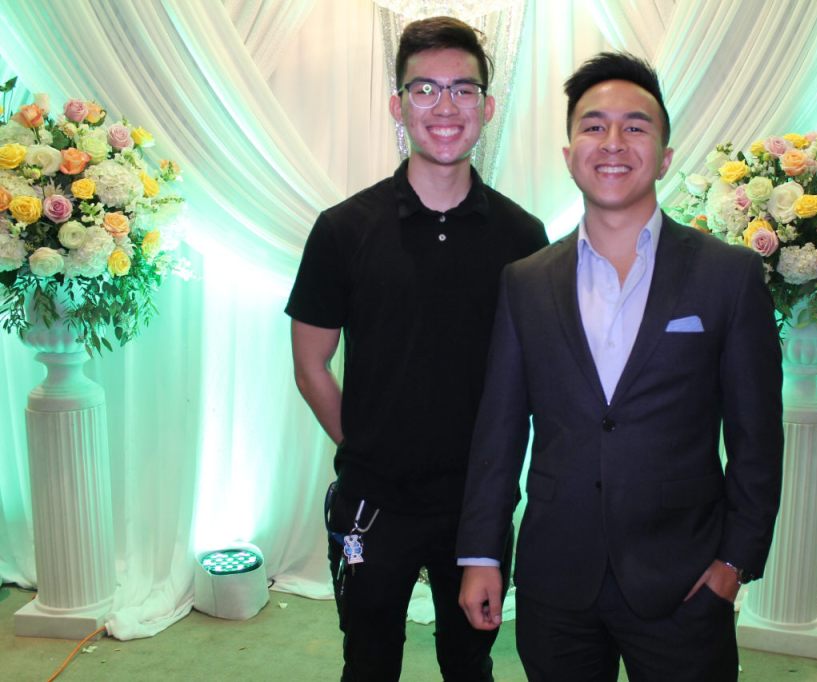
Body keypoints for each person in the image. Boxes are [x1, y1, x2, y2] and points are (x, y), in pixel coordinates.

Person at [456, 52, 783, 681]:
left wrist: (733, 564)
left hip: (686, 579)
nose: (612, 142)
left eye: (635, 127)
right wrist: (481, 555)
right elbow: (498, 432)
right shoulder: (525, 282)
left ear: (664, 156)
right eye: (593, 125)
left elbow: (757, 437)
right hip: (556, 580)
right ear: (569, 153)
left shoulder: (728, 276)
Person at [286, 16, 547, 682]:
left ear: (488, 106)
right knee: (368, 662)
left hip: (478, 505)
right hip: (374, 501)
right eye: (425, 89)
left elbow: (536, 376)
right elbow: (311, 364)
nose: (445, 106)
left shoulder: (523, 236)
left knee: (470, 664)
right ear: (397, 105)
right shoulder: (344, 229)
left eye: (463, 89)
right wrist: (366, 446)